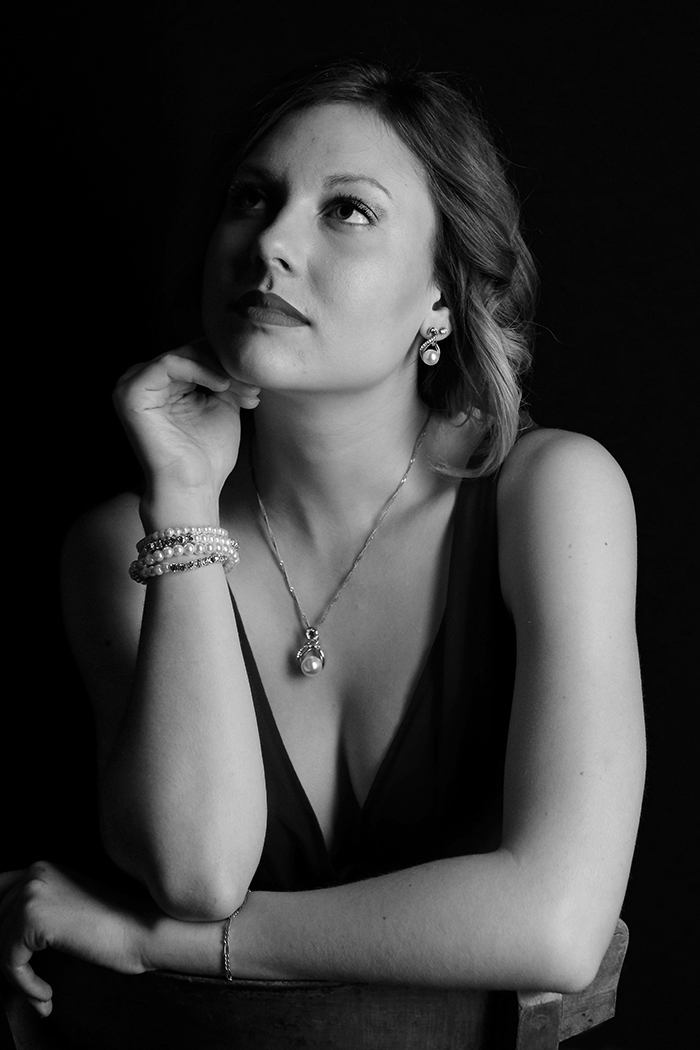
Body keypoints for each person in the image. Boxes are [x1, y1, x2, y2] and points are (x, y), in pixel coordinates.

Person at [1, 58, 645, 1019]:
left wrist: (156, 943)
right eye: (251, 198)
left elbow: (555, 925)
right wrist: (184, 502)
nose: (269, 242)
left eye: (347, 210)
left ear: (442, 295)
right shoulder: (120, 546)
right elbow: (197, 873)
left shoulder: (553, 494)